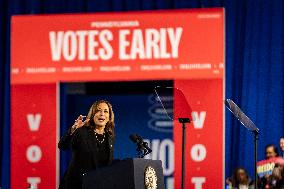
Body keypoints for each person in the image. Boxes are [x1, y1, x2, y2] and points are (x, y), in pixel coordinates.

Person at [58, 100, 115, 189]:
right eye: (98, 110)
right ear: (92, 115)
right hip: (76, 184)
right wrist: (74, 129)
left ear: (109, 117)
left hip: (96, 185)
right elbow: (62, 146)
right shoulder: (82, 132)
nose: (102, 114)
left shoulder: (110, 137)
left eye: (105, 111)